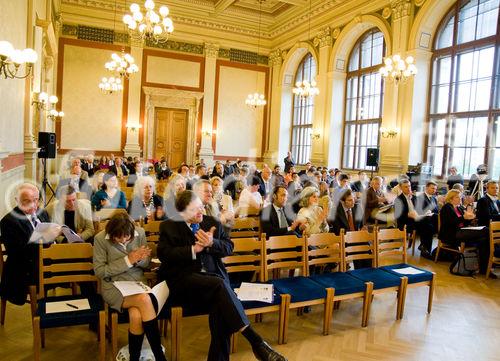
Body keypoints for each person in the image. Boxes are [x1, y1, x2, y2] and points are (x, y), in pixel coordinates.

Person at [157, 191, 287, 361]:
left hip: (213, 282)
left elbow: (229, 247)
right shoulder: (169, 226)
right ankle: (255, 341)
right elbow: (164, 254)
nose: (201, 212)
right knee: (220, 287)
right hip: (185, 281)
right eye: (195, 209)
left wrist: (212, 243)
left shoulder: (211, 222)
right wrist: (192, 250)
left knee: (221, 305)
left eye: (201, 207)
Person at [93, 213, 167, 361]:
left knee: (136, 315)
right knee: (144, 300)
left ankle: (134, 357)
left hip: (137, 283)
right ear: (111, 233)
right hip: (113, 286)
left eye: (127, 237)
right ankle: (159, 356)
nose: (124, 240)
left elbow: (146, 264)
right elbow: (100, 271)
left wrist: (138, 259)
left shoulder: (139, 233)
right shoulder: (100, 239)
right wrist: (128, 260)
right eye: (119, 238)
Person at [0, 183, 55, 305]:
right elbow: (16, 253)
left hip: (45, 259)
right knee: (63, 270)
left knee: (77, 265)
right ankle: (43, 313)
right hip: (24, 268)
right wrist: (41, 240)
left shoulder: (42, 212)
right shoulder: (8, 221)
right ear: (17, 200)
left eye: (35, 200)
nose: (33, 205)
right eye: (27, 201)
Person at [439, 189, 490, 274]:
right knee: (486, 230)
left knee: (483, 240)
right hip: (451, 234)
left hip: (461, 231)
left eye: (460, 197)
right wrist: (464, 217)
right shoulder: (447, 207)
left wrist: (470, 219)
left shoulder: (459, 208)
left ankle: (484, 267)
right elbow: (450, 223)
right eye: (457, 197)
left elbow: (463, 222)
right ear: (451, 198)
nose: (460, 199)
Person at [330, 189, 369, 269]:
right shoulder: (335, 211)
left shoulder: (357, 207)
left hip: (357, 237)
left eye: (353, 199)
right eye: (350, 200)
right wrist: (355, 235)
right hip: (343, 239)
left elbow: (361, 225)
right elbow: (338, 232)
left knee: (367, 247)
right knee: (359, 247)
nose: (353, 202)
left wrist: (363, 229)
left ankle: (367, 272)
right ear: (342, 201)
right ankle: (359, 272)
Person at [414, 181, 439, 256]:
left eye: (435, 189)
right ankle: (426, 249)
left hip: (431, 219)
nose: (434, 190)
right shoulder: (420, 197)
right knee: (429, 227)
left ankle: (424, 246)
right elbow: (418, 211)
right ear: (426, 188)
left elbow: (436, 210)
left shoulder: (434, 199)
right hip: (421, 220)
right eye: (432, 188)